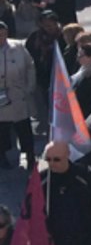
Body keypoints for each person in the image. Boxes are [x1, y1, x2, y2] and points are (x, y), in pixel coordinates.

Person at [0, 22, 36, 170]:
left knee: (24, 127)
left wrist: (29, 87)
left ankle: (30, 154)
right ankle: (3, 156)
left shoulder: (18, 46)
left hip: (19, 94)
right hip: (1, 97)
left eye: (3, 34)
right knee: (2, 129)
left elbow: (30, 66)